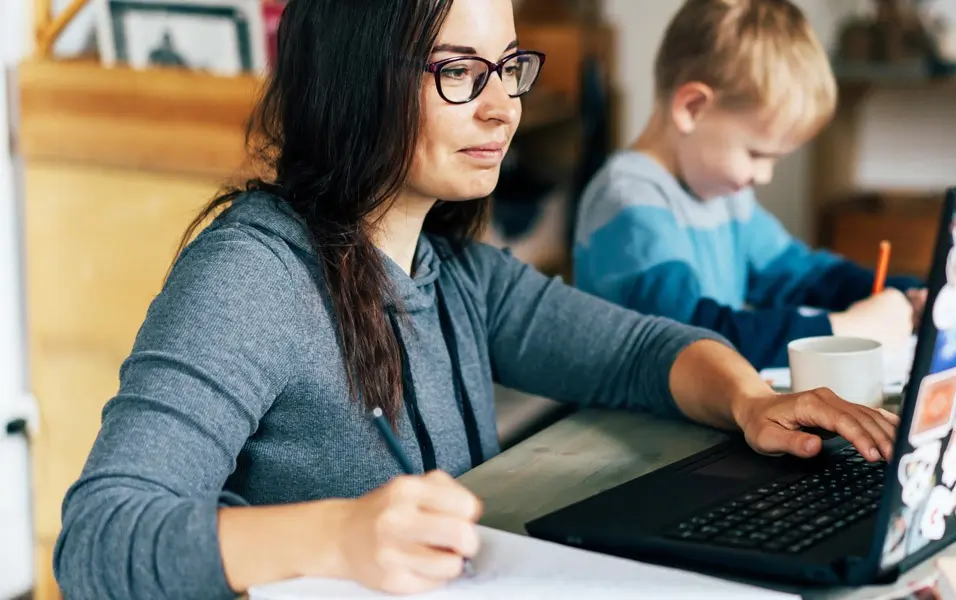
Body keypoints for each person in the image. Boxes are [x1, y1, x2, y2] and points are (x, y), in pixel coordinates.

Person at [52, 1, 900, 598]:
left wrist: (751, 399)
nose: (502, 108)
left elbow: (643, 350)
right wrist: (337, 537)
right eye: (459, 71)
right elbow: (98, 541)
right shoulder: (251, 277)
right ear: (357, 80)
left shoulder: (454, 269)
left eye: (507, 68)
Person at [571, 0, 927, 371]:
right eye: (757, 154)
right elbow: (695, 336)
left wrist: (900, 293)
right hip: (627, 422)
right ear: (692, 107)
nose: (764, 176)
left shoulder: (723, 195)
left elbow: (803, 275)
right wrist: (845, 329)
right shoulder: (628, 201)